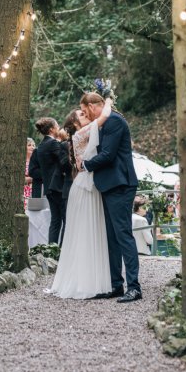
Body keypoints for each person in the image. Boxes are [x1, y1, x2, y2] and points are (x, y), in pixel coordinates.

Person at [80, 92, 141, 303]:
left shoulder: (114, 121)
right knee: (111, 238)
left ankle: (134, 287)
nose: (84, 114)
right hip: (108, 186)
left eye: (84, 110)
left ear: (92, 105)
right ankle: (116, 285)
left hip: (120, 184)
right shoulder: (104, 122)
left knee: (123, 235)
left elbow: (108, 154)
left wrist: (85, 165)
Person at [51, 100, 113, 299]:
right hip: (85, 188)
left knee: (92, 231)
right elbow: (104, 116)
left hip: (90, 186)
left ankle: (93, 278)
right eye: (82, 114)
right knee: (85, 232)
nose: (86, 114)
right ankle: (84, 280)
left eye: (86, 112)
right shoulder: (80, 134)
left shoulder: (85, 133)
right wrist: (108, 99)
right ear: (76, 124)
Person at [35, 117, 64, 244]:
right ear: (52, 129)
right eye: (57, 126)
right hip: (58, 187)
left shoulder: (41, 146)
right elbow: (63, 161)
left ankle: (51, 249)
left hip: (48, 188)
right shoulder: (53, 144)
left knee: (55, 220)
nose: (59, 128)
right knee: (65, 220)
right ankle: (63, 250)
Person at [24, 138, 36, 209]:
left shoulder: (36, 161)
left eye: (34, 145)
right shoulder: (21, 161)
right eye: (29, 145)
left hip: (34, 189)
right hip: (24, 191)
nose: (32, 147)